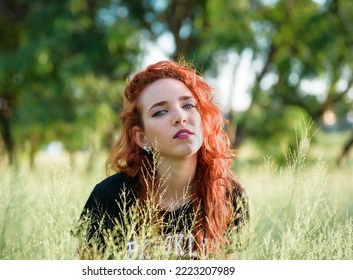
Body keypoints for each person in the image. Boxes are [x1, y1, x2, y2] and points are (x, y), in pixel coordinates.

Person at [74, 60, 249, 259]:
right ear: (142, 137)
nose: (180, 117)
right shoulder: (110, 197)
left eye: (188, 105)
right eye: (160, 111)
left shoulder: (229, 195)